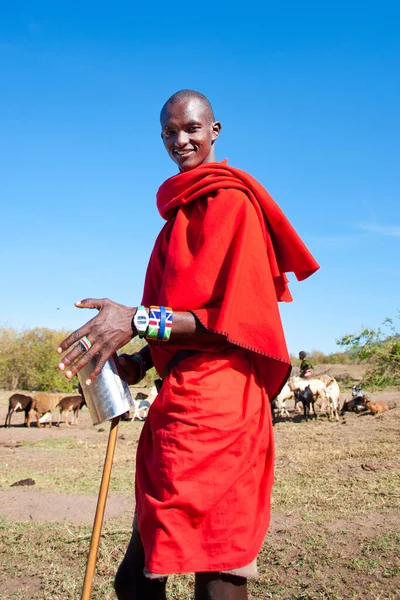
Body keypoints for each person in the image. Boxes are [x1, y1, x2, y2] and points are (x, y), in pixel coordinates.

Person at [57, 89, 319, 600]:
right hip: (175, 410)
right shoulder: (173, 223)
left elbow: (230, 324)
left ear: (214, 130)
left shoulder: (233, 204)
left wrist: (134, 318)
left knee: (216, 575)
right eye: (169, 133)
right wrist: (129, 363)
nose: (181, 140)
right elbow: (168, 329)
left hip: (223, 411)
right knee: (135, 581)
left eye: (192, 129)